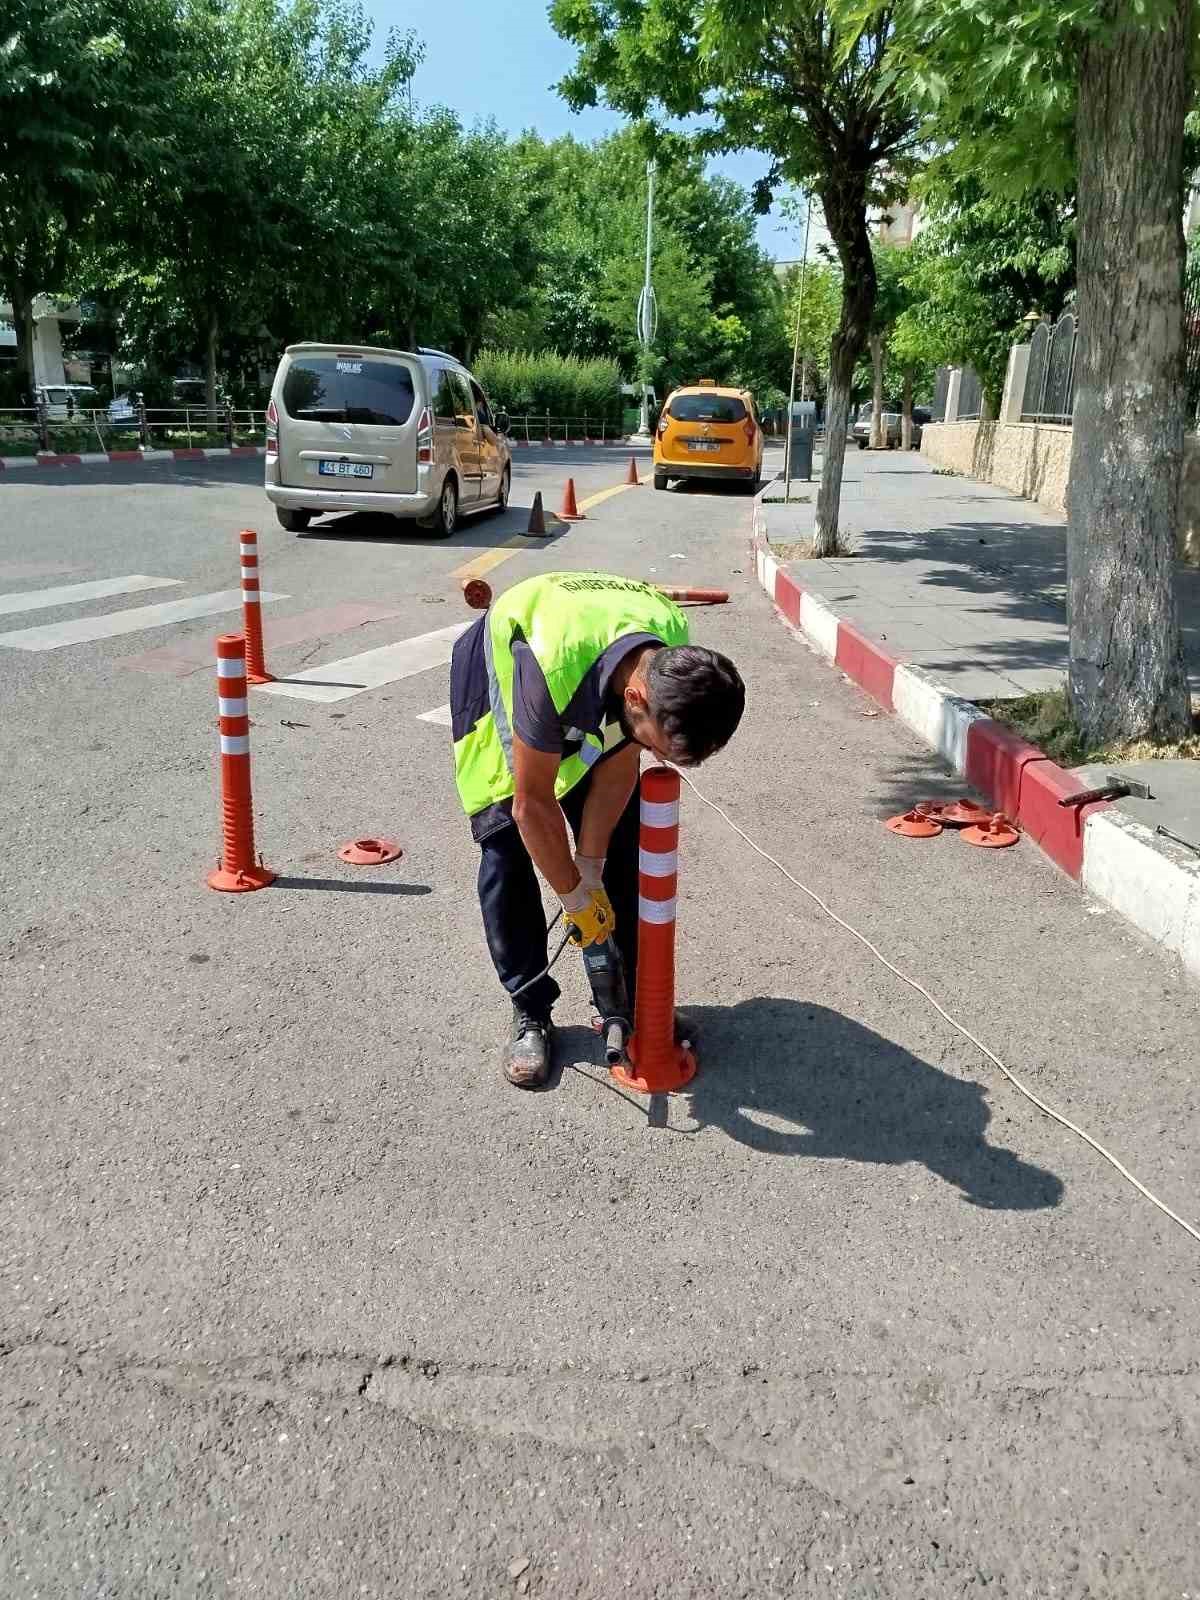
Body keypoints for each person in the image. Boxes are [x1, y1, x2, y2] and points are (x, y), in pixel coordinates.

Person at [450, 570, 745, 1087]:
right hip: (506, 670)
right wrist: (574, 898)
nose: (659, 758)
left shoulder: (670, 645)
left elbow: (622, 755)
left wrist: (590, 866)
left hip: (588, 671)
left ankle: (631, 1002)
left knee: (623, 848)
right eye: (660, 747)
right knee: (506, 850)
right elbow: (532, 804)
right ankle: (530, 1009)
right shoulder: (550, 666)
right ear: (635, 699)